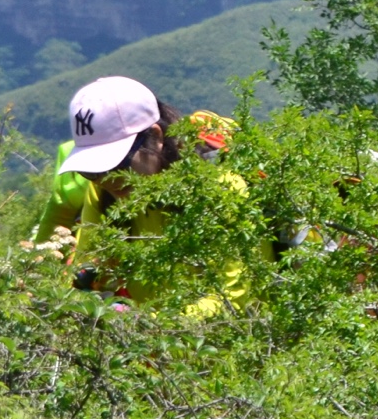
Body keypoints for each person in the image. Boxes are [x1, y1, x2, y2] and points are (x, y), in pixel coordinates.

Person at [56, 75, 253, 316]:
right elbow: (88, 272)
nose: (107, 179)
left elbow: (232, 301)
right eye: (92, 170)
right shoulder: (102, 194)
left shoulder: (218, 189)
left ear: (156, 137)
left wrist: (149, 329)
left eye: (118, 163)